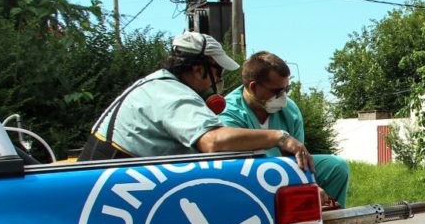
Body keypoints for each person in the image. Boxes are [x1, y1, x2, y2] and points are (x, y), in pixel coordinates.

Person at [78, 32, 313, 174]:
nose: (220, 79)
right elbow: (213, 141)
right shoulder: (170, 93)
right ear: (199, 69)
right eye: (218, 71)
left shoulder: (158, 85)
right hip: (108, 182)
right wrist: (279, 137)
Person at [218, 51, 350, 208]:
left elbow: (299, 159)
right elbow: (241, 165)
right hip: (249, 176)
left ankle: (329, 223)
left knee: (335, 166)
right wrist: (308, 186)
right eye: (277, 91)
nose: (283, 96)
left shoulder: (290, 110)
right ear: (253, 87)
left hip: (286, 168)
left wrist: (310, 184)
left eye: (286, 89)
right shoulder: (228, 112)